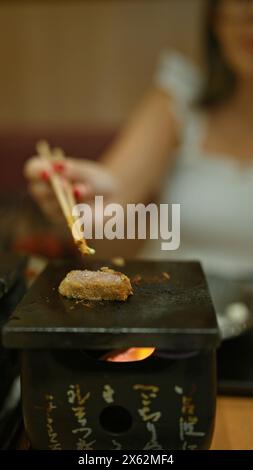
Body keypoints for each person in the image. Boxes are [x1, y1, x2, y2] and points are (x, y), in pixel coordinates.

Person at [24, 0, 253, 278]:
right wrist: (87, 203)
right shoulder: (179, 99)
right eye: (239, 5)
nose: (249, 16)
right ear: (215, 18)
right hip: (174, 303)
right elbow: (107, 218)